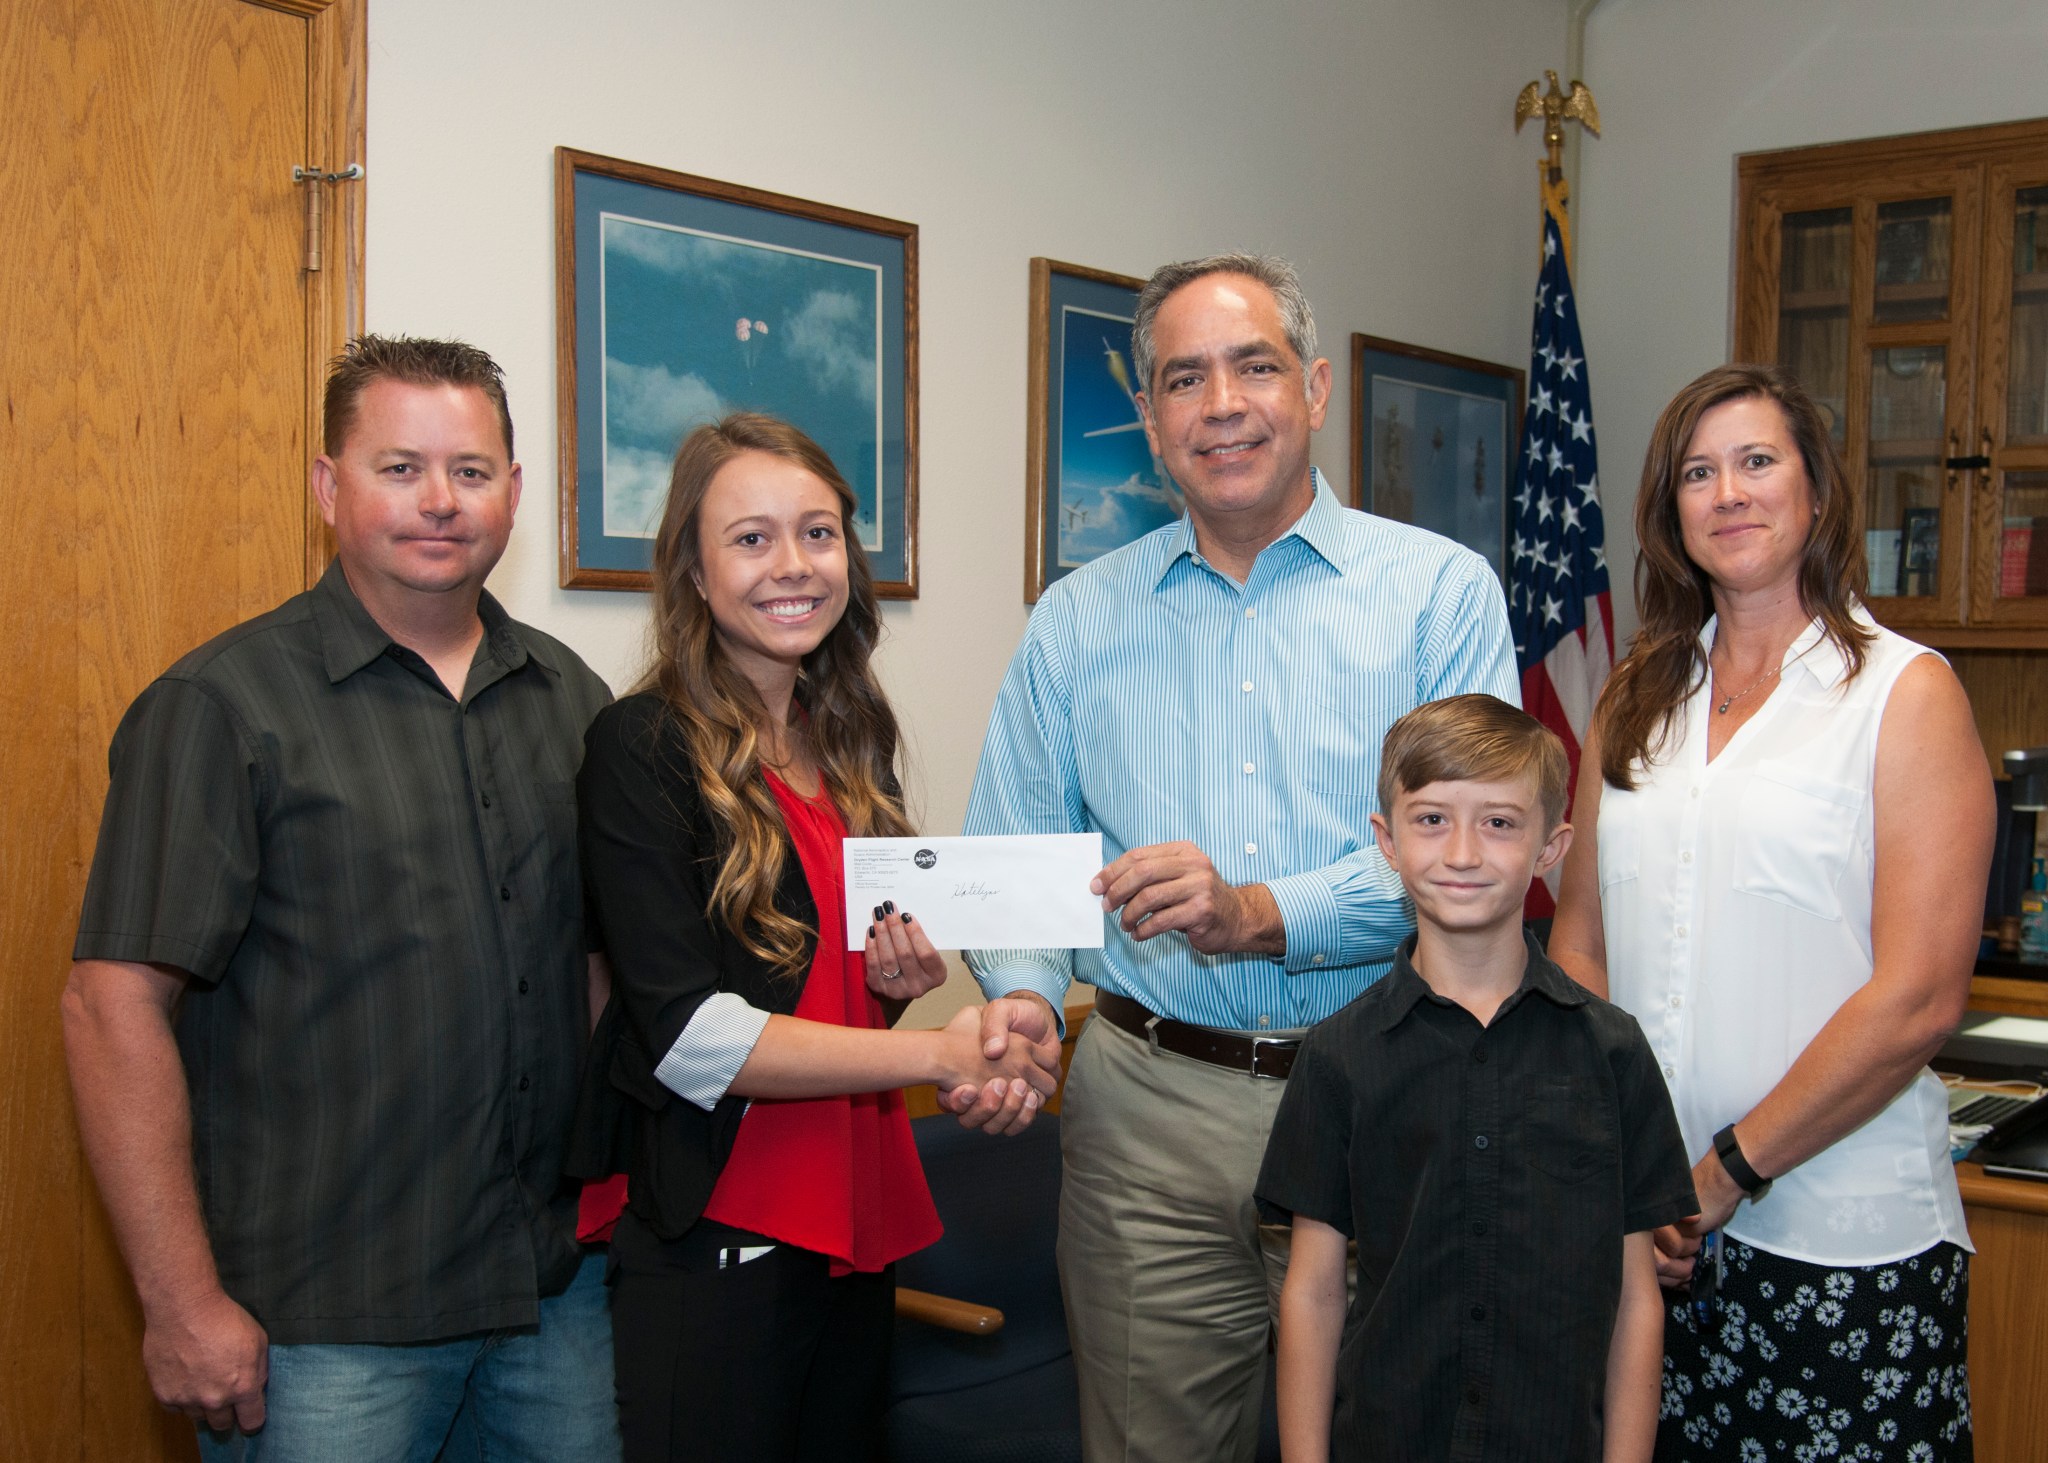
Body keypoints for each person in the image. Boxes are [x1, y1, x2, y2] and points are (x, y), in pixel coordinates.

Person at [958, 252, 1521, 1462]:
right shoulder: (1075, 619)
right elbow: (1015, 853)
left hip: (1386, 1091)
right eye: (1181, 378)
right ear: (1151, 421)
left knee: (1400, 1434)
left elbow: (1471, 858)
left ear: (1313, 387)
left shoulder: (1436, 594)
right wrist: (1018, 993)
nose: (1221, 403)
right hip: (1145, 1118)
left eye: (1252, 365)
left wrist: (1259, 908)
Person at [62, 336, 621, 1460]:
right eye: (397, 466)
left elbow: (602, 966)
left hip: (551, 1294)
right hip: (322, 1327)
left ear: (513, 492)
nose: (439, 501)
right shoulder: (222, 707)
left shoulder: (574, 698)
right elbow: (109, 1003)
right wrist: (179, 1301)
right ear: (328, 485)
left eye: (469, 471)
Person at [574, 413, 1063, 1463]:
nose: (791, 564)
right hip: (717, 1223)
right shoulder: (641, 744)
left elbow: (807, 990)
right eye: (749, 538)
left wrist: (890, 989)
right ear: (694, 574)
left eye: (818, 532)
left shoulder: (846, 743)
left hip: (848, 1208)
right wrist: (936, 1046)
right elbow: (688, 1035)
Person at [1548, 363, 1994, 1461]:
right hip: (1648, 1237)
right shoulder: (1633, 697)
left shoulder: (1903, 692)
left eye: (1756, 461)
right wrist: (1635, 1166)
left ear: (1812, 490)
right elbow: (1579, 944)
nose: (1727, 492)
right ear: (1670, 511)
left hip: (1843, 1242)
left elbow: (1920, 993)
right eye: (1697, 473)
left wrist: (1723, 1170)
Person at [1256, 694, 1696, 1463]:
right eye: (1431, 819)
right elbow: (1315, 1290)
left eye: (1499, 821)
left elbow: (1635, 1296)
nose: (1463, 852)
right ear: (1386, 841)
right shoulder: (1338, 1056)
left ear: (1552, 846)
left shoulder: (1612, 1051)